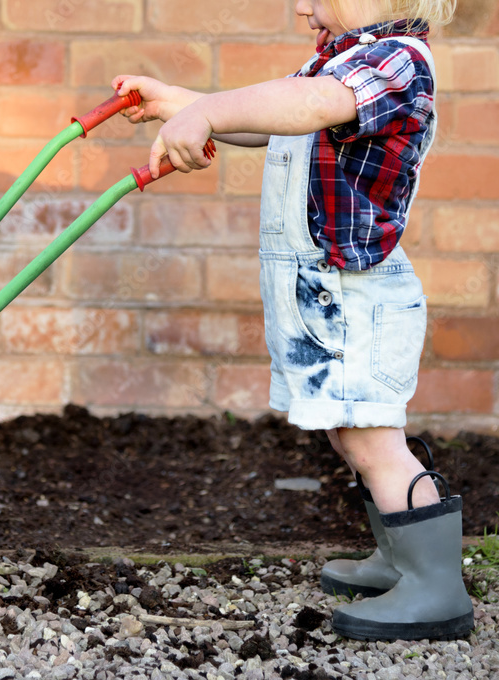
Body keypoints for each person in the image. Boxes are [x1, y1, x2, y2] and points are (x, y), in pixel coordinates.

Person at [112, 0, 472, 641]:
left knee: (371, 437)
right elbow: (280, 121)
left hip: (356, 294)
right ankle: (400, 560)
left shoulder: (396, 63)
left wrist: (209, 111)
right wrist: (183, 103)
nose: (300, 6)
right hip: (324, 290)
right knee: (346, 430)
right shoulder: (338, 62)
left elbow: (304, 107)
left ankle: (437, 589)